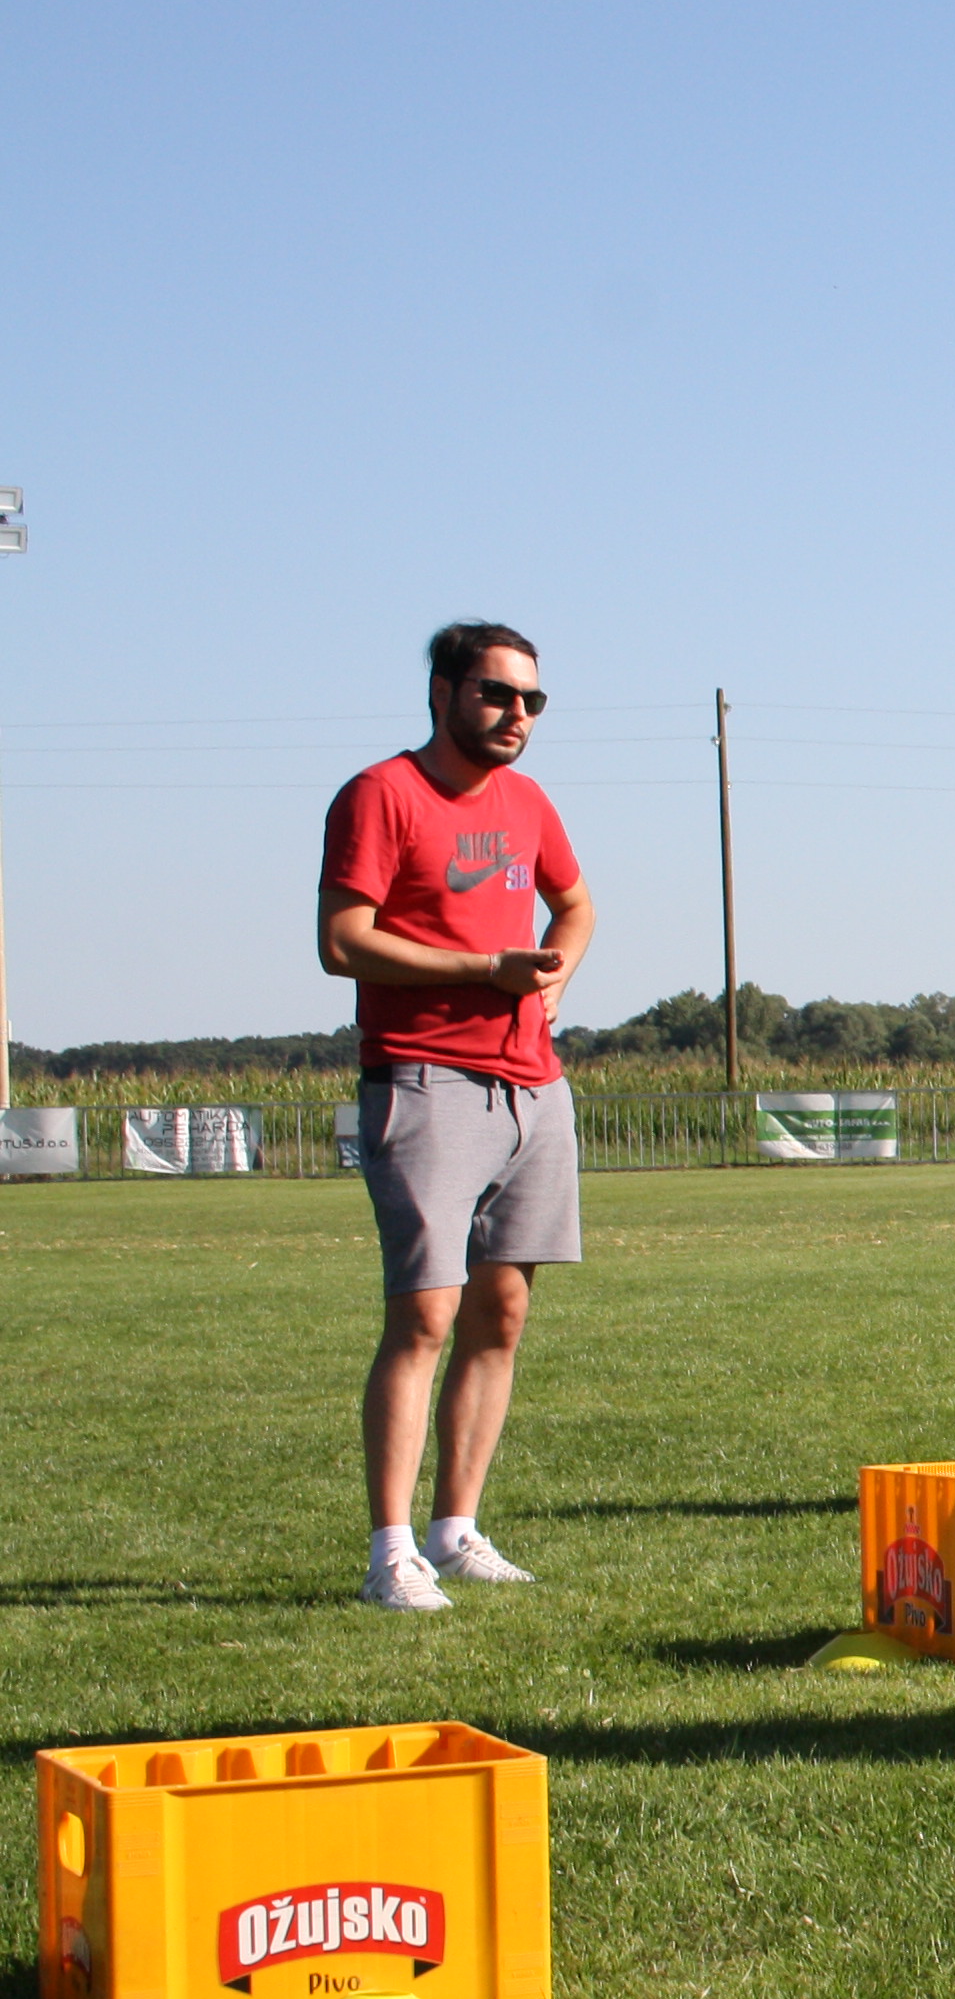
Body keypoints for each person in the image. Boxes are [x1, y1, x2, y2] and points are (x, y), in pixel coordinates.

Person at [318, 623, 599, 1611]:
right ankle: (390, 1550)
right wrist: (487, 969)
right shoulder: (380, 795)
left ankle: (457, 1529)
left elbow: (576, 904)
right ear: (441, 693)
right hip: (425, 1080)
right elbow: (343, 942)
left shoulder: (527, 802)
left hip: (534, 1083)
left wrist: (555, 973)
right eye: (496, 695)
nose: (516, 716)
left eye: (532, 701)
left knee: (504, 1311)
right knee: (424, 1314)